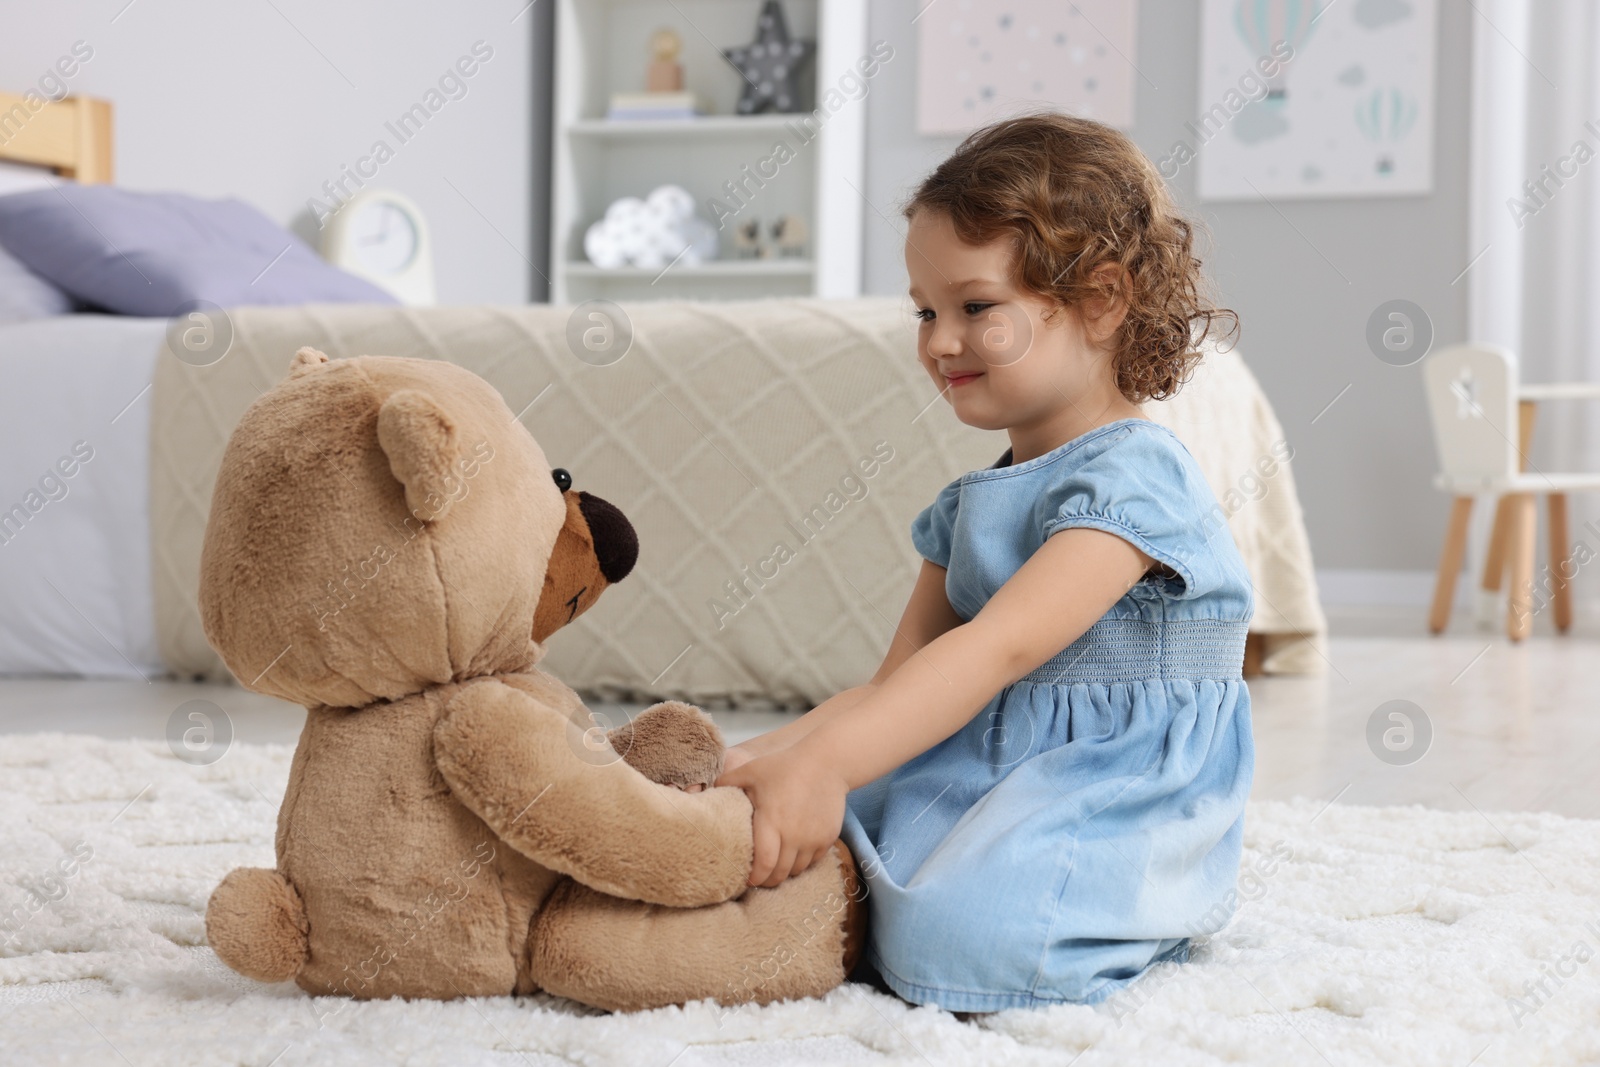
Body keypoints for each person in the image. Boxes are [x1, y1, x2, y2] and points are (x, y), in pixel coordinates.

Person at [716, 112, 1255, 1013]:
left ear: (1102, 300)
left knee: (954, 939)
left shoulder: (1137, 482)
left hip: (1111, 786)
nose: (936, 341)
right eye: (926, 310)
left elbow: (996, 648)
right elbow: (899, 685)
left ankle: (1140, 912)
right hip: (990, 755)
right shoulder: (973, 502)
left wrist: (827, 768)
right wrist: (763, 757)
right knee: (795, 839)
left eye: (974, 308)